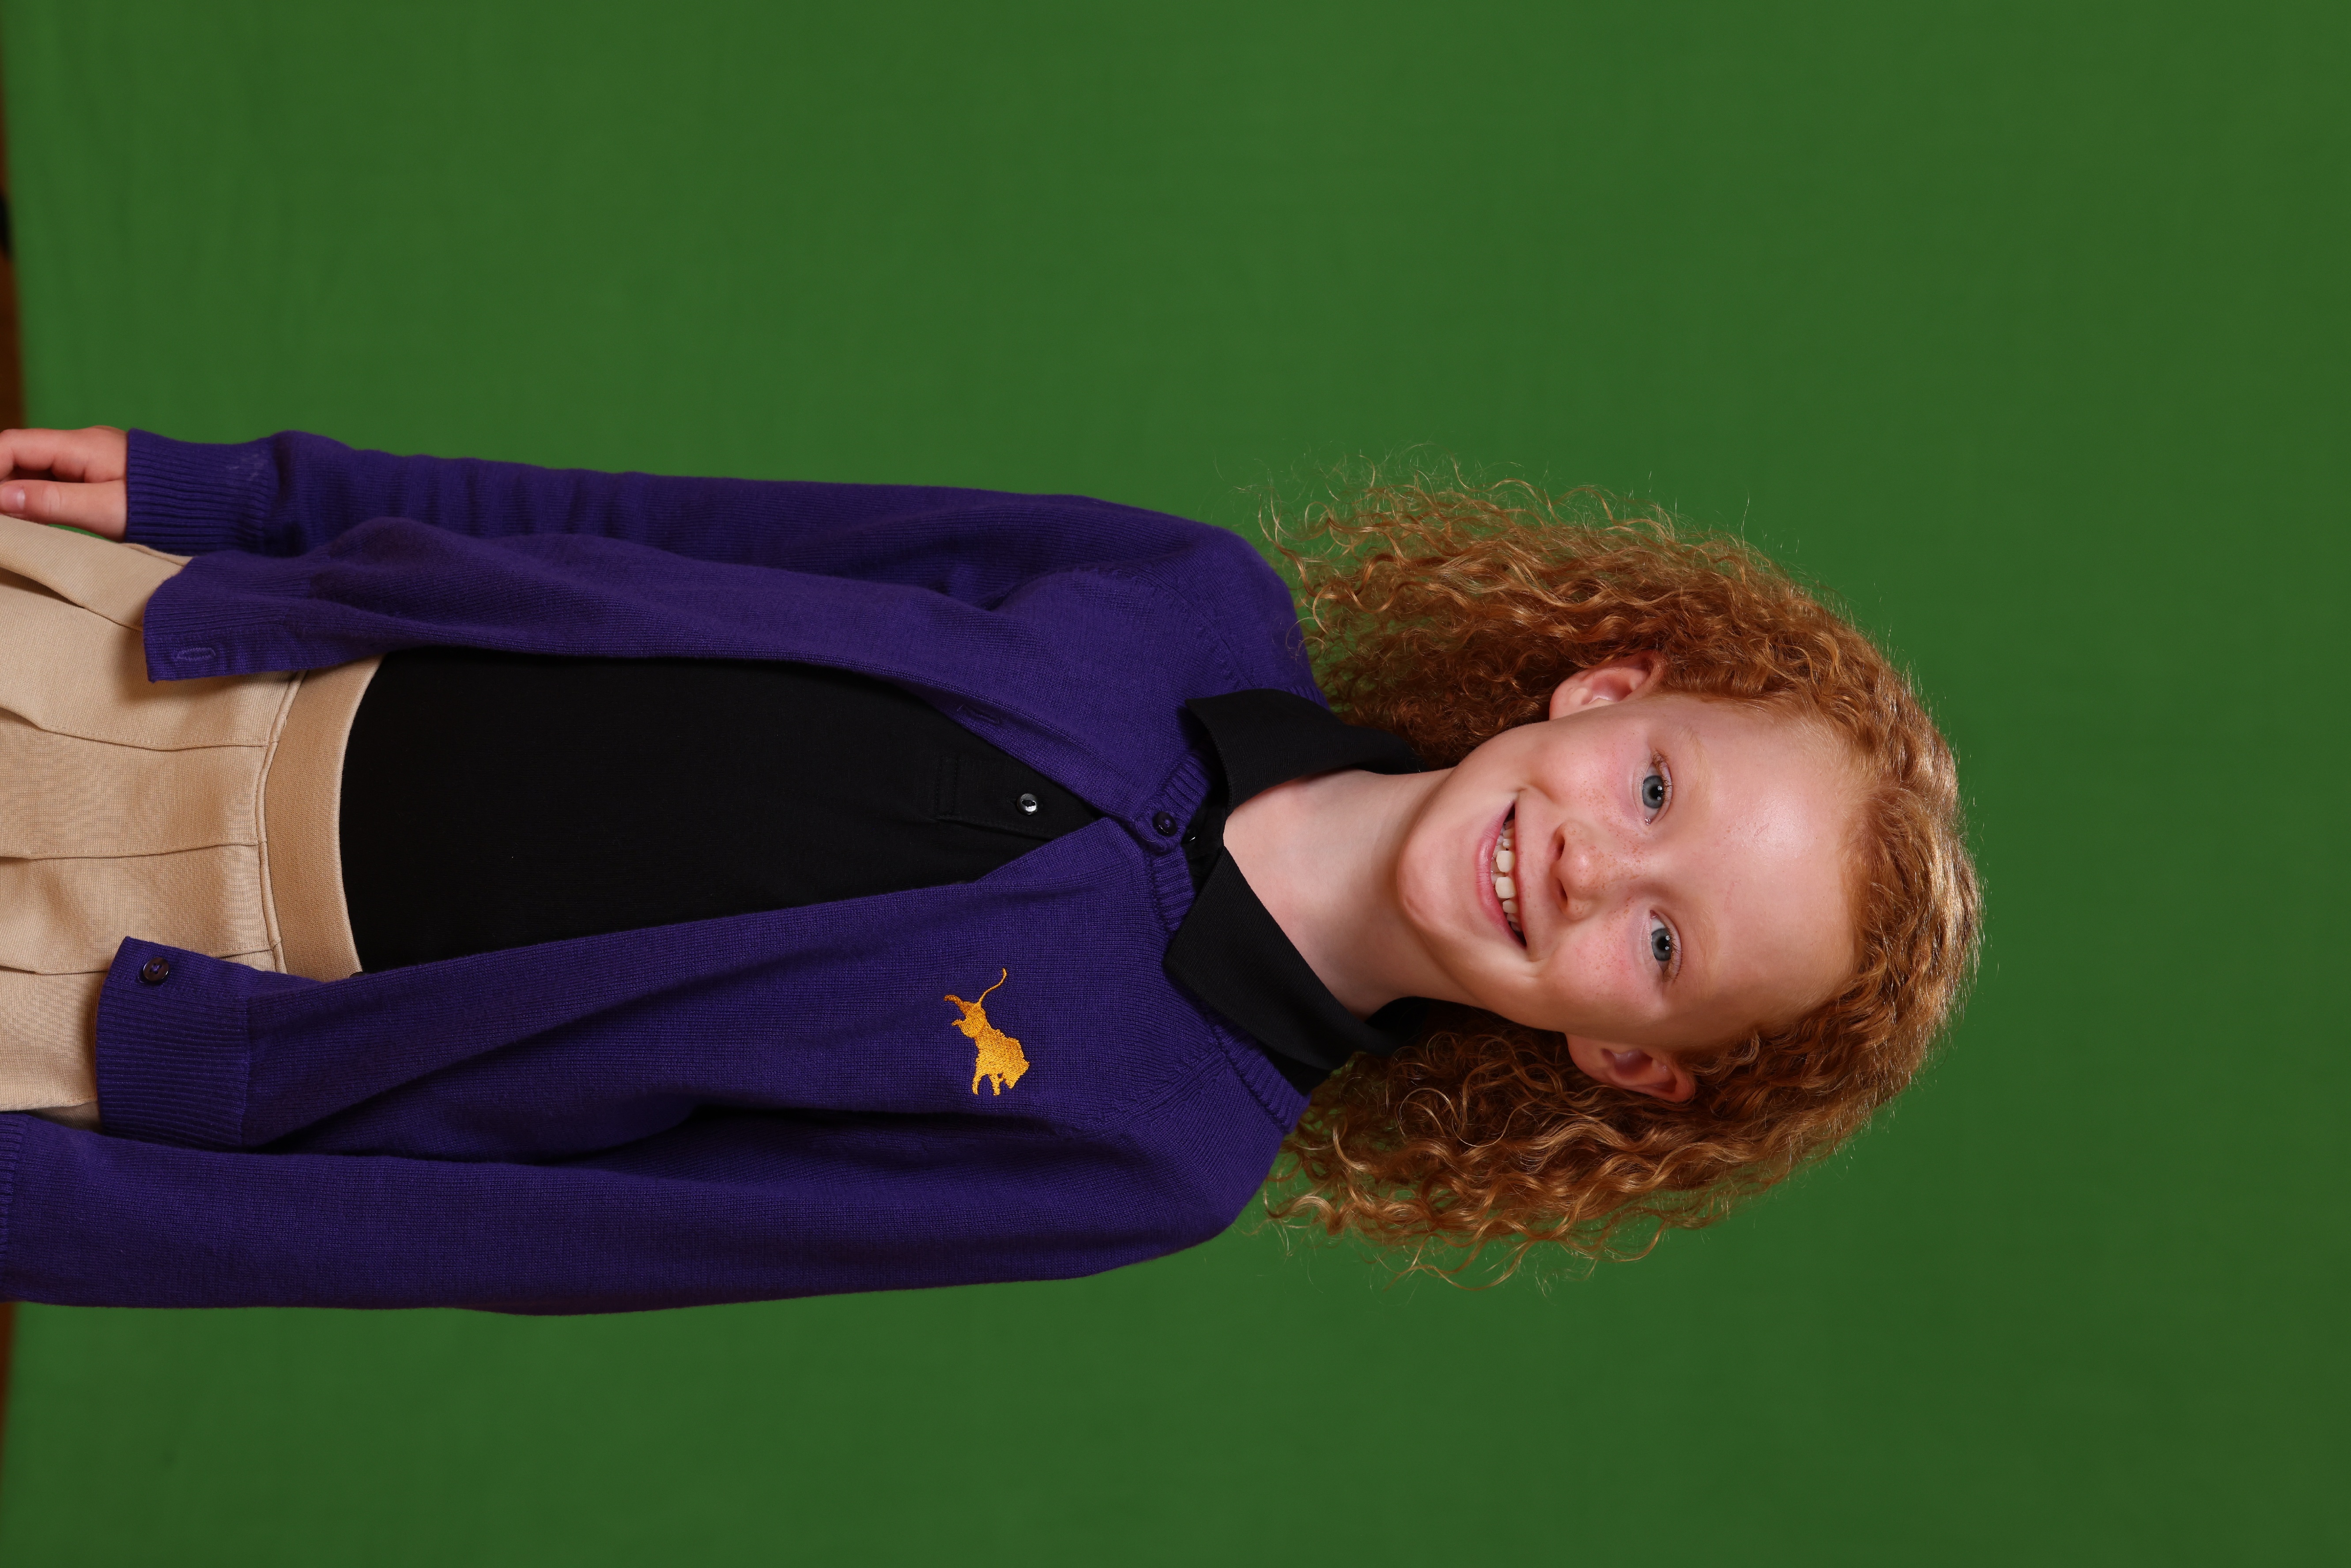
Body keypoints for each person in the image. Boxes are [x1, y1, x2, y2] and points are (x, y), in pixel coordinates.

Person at [0, 424, 1978, 1312]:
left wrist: (68, 1217)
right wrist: (248, 499)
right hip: (194, 651)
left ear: (1629, 1061)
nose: (1592, 866)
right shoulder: (1180, 596)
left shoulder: (1154, 1154)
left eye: (1666, 943)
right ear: (1608, 686)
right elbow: (671, 525)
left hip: (153, 1004)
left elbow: (563, 1238)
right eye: (1656, 789)